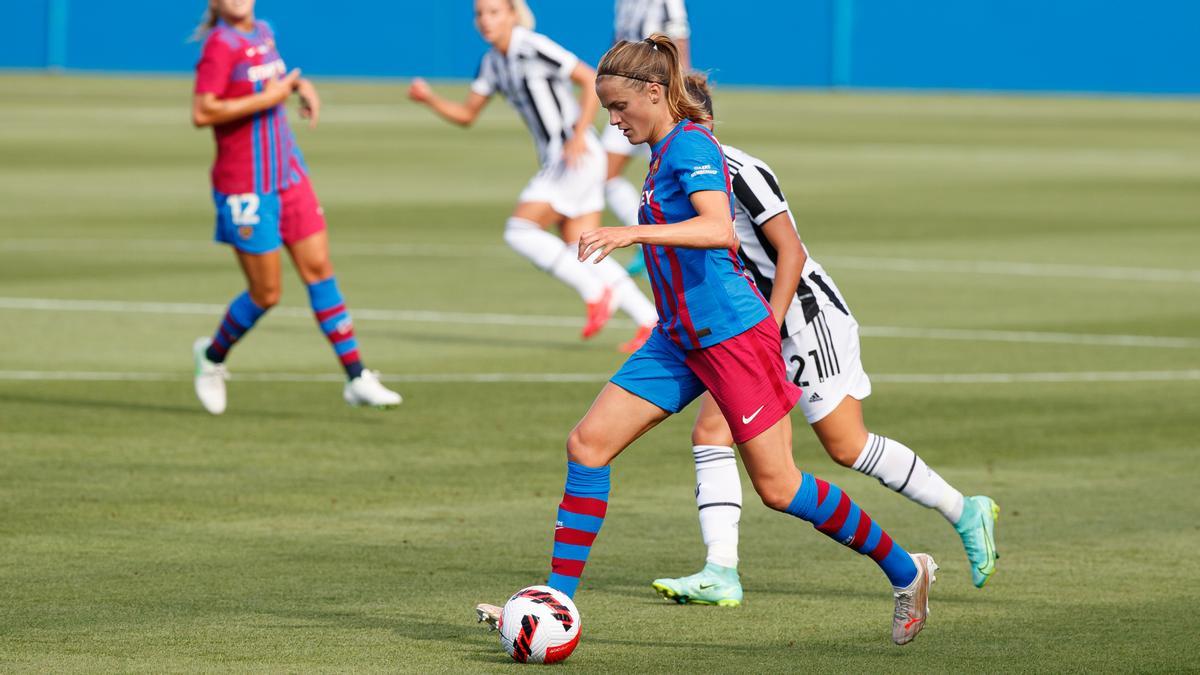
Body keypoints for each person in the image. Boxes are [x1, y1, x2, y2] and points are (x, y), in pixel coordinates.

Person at [478, 35, 937, 646]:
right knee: (587, 446)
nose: (613, 122)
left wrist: (631, 234)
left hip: (732, 338)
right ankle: (555, 602)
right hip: (678, 338)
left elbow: (719, 228)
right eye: (606, 110)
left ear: (653, 92)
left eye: (619, 108)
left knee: (780, 488)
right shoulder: (660, 150)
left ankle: (908, 572)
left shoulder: (690, 146)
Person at [649, 75, 1000, 607]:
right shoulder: (668, 174)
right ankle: (720, 570)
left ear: (706, 124)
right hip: (747, 330)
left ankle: (963, 509)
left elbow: (790, 251)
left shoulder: (741, 171)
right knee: (711, 432)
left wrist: (772, 322)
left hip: (803, 319)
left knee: (845, 445)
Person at [408, 0, 658, 352]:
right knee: (580, 245)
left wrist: (577, 134)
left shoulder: (532, 45)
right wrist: (428, 99)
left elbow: (589, 78)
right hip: (566, 159)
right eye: (480, 14)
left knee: (520, 230)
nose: (485, 20)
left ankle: (594, 292)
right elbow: (467, 114)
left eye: (494, 12)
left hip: (575, 155)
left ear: (512, 14)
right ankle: (649, 321)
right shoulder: (493, 62)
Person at [190, 0, 401, 414]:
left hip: (287, 172)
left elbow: (273, 84)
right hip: (245, 185)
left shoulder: (263, 31)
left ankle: (356, 376)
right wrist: (272, 96)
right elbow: (203, 111)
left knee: (319, 268)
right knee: (267, 293)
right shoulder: (220, 43)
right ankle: (212, 357)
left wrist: (300, 88)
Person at [604, 0, 692, 277]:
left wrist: (680, 90)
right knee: (602, 176)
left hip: (655, 99)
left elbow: (678, 37)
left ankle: (675, 243)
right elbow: (620, 42)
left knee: (675, 177)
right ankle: (649, 240)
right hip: (628, 98)